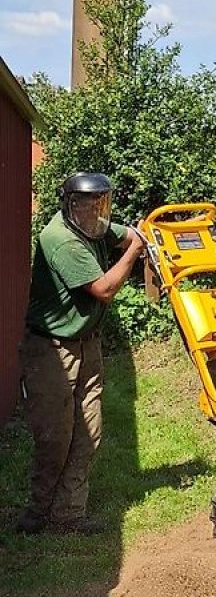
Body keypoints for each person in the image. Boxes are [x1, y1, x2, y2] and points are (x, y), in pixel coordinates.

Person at [17, 172, 145, 535]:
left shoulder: (94, 225)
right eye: (89, 207)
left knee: (89, 430)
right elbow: (103, 289)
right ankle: (39, 510)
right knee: (56, 435)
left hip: (86, 343)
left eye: (101, 206)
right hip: (50, 350)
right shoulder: (60, 240)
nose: (96, 214)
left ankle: (69, 514)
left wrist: (144, 235)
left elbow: (128, 234)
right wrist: (136, 251)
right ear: (71, 205)